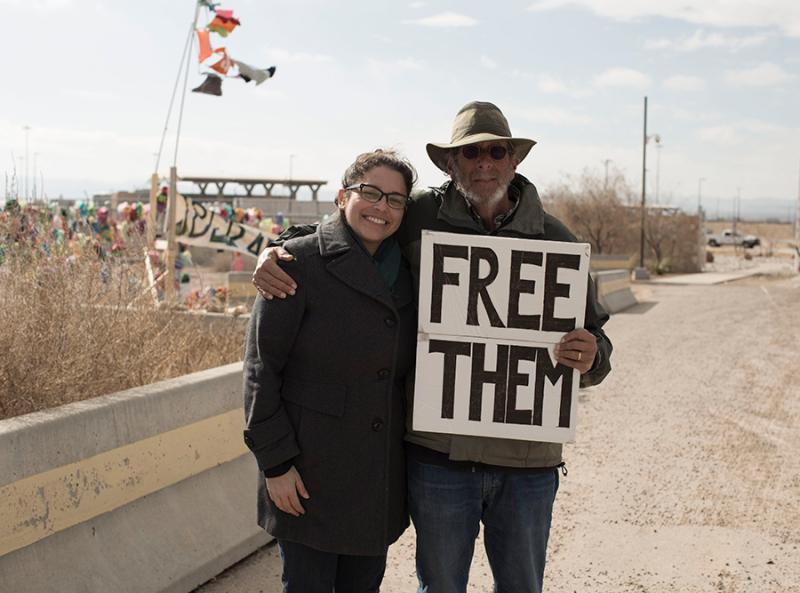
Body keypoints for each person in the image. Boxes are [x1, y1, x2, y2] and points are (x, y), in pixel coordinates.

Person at [252, 102, 613, 593]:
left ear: (514, 160)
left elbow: (598, 341)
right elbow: (351, 229)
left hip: (527, 467)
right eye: (470, 153)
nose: (483, 162)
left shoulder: (556, 240)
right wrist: (277, 248)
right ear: (451, 164)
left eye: (495, 151)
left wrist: (591, 357)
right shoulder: (418, 215)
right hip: (439, 462)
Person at [242, 149, 418, 593]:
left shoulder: (412, 271)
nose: (382, 207)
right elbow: (262, 370)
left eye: (395, 200)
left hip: (375, 477)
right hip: (307, 475)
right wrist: (275, 463)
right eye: (371, 193)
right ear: (342, 197)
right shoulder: (294, 263)